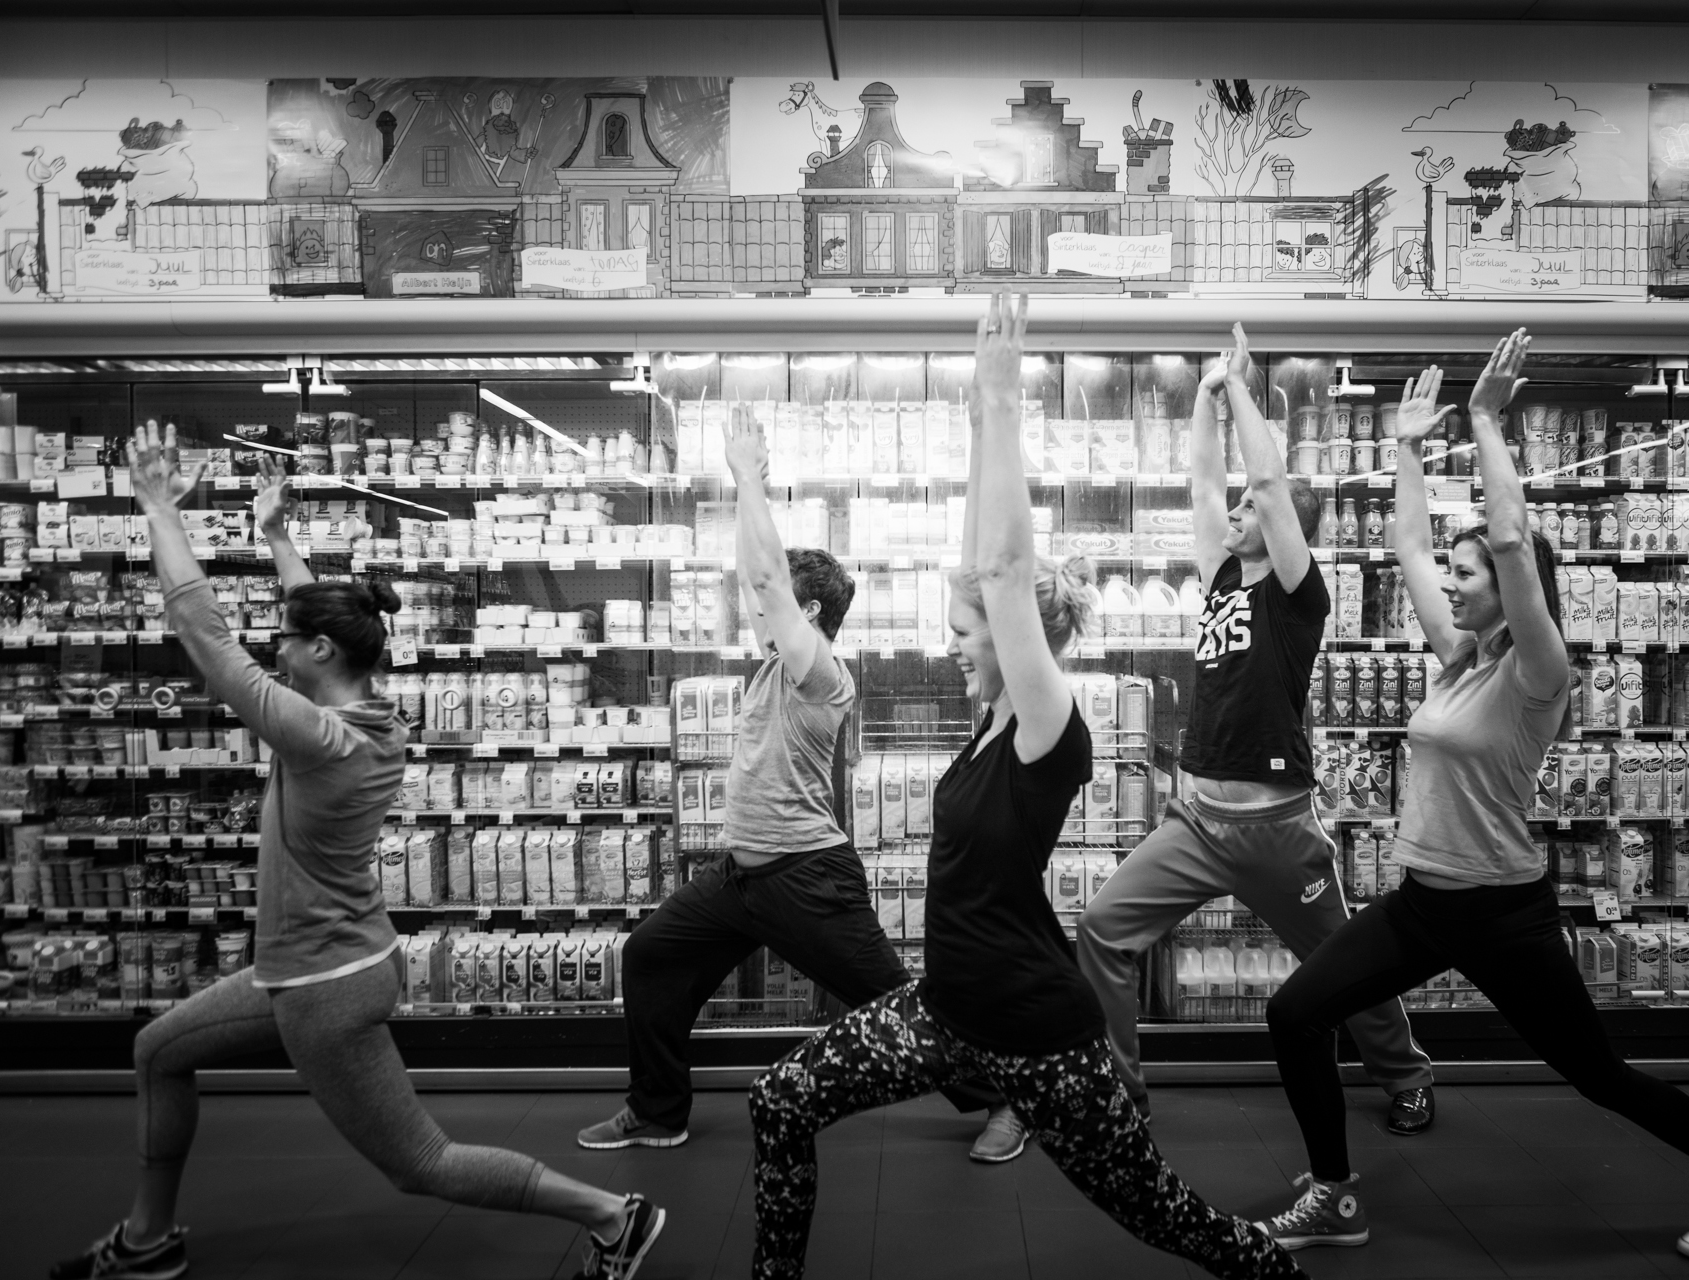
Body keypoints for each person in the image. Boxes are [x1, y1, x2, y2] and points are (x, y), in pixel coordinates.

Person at [745, 293, 1305, 1280]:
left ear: (1020, 646)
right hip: (944, 1016)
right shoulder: (994, 717)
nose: (954, 649)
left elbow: (1003, 574)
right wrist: (970, 428)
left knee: (1163, 1213)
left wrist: (997, 405)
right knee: (778, 1098)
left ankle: (1272, 1265)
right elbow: (982, 571)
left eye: (968, 639)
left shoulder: (1050, 726)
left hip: (1040, 1037)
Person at [52, 428, 663, 1280]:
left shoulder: (317, 737)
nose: (278, 647)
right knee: (160, 1050)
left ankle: (612, 1215)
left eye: (290, 642)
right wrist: (274, 539)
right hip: (319, 966)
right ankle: (146, 1238)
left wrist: (159, 508)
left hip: (322, 987)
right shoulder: (370, 715)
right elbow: (321, 621)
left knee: (421, 1163)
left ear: (321, 656)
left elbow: (205, 636)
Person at [1260, 332, 1689, 1264]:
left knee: (1596, 1074)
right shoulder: (1462, 658)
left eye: (1470, 579)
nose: (1450, 588)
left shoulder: (1539, 672)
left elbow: (1507, 536)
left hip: (1503, 912)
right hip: (1424, 902)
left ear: (1512, 590)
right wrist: (1409, 451)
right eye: (1458, 577)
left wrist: (1487, 422)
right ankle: (1336, 1195)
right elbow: (1410, 544)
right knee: (1295, 1012)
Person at [578, 407, 1000, 1158]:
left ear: (806, 614)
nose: (755, 606)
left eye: (774, 603)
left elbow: (767, 578)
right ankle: (658, 1110)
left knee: (902, 1006)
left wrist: (745, 478)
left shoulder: (820, 675)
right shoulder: (778, 662)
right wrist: (748, 498)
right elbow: (758, 576)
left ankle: (1001, 1100)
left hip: (807, 881)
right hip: (740, 880)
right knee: (650, 957)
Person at [1077, 325, 1435, 1140]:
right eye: (1236, 510)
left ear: (1283, 535)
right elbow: (1206, 485)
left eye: (1251, 512)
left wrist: (1241, 386)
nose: (1236, 513)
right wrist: (1206, 398)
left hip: (1277, 831)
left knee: (1343, 960)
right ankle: (1121, 1095)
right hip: (1198, 821)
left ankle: (1407, 1075)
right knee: (1102, 930)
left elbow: (1267, 485)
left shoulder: (1298, 598)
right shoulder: (1221, 580)